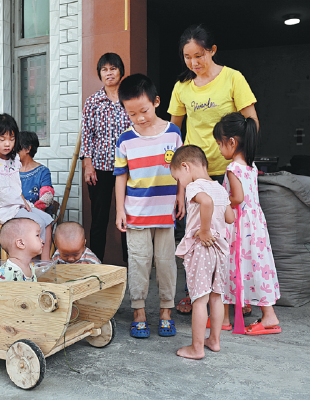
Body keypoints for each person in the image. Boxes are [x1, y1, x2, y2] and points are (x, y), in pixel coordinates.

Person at [168, 24, 258, 315]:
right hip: (195, 174)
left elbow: (252, 122)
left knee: (230, 234)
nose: (193, 62)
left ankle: (234, 294)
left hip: (227, 170)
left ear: (212, 50)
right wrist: (179, 180)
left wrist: (241, 162)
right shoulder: (182, 86)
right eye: (187, 57)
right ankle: (194, 293)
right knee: (195, 234)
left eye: (199, 55)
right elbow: (174, 132)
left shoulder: (233, 78)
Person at [115, 74, 184, 338]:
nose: (140, 118)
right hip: (136, 212)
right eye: (132, 114)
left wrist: (181, 195)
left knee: (166, 263)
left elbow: (182, 169)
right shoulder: (125, 139)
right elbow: (120, 176)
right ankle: (139, 312)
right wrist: (120, 210)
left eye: (144, 110)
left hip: (165, 212)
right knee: (138, 262)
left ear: (156, 102)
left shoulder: (173, 132)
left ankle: (166, 311)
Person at [213, 112, 281, 335]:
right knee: (257, 267)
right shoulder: (250, 165)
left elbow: (238, 198)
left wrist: (222, 200)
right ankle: (262, 313)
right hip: (255, 226)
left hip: (240, 227)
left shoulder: (233, 169)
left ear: (232, 142)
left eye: (220, 144)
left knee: (229, 266)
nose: (219, 149)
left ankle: (263, 316)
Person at [171, 145, 235, 359]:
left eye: (177, 178)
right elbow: (230, 218)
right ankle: (214, 341)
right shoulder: (219, 188)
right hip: (220, 249)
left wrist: (205, 230)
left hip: (202, 247)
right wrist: (215, 225)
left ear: (185, 167)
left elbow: (206, 202)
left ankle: (197, 348)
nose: (180, 183)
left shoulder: (194, 187)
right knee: (216, 297)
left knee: (199, 298)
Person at [0, 114, 53, 260]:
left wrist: (24, 201)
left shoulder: (14, 158)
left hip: (18, 204)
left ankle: (45, 260)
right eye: (2, 139)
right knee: (39, 222)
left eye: (12, 139)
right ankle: (31, 260)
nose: (7, 144)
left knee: (48, 219)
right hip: (3, 209)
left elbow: (15, 184)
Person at [79, 53, 132, 262]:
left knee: (129, 216)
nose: (109, 73)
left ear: (121, 71)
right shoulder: (93, 101)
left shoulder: (130, 98)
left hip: (129, 168)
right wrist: (88, 165)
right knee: (99, 218)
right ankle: (96, 264)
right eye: (104, 69)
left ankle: (131, 265)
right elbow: (87, 134)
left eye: (113, 68)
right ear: (100, 74)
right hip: (100, 168)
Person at [0, 218, 43, 282]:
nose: (42, 240)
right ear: (21, 243)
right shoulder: (8, 271)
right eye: (37, 235)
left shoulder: (31, 266)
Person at [19, 130, 54, 213]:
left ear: (28, 149)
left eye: (17, 148)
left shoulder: (43, 172)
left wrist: (33, 210)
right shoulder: (11, 170)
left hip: (36, 213)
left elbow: (47, 196)